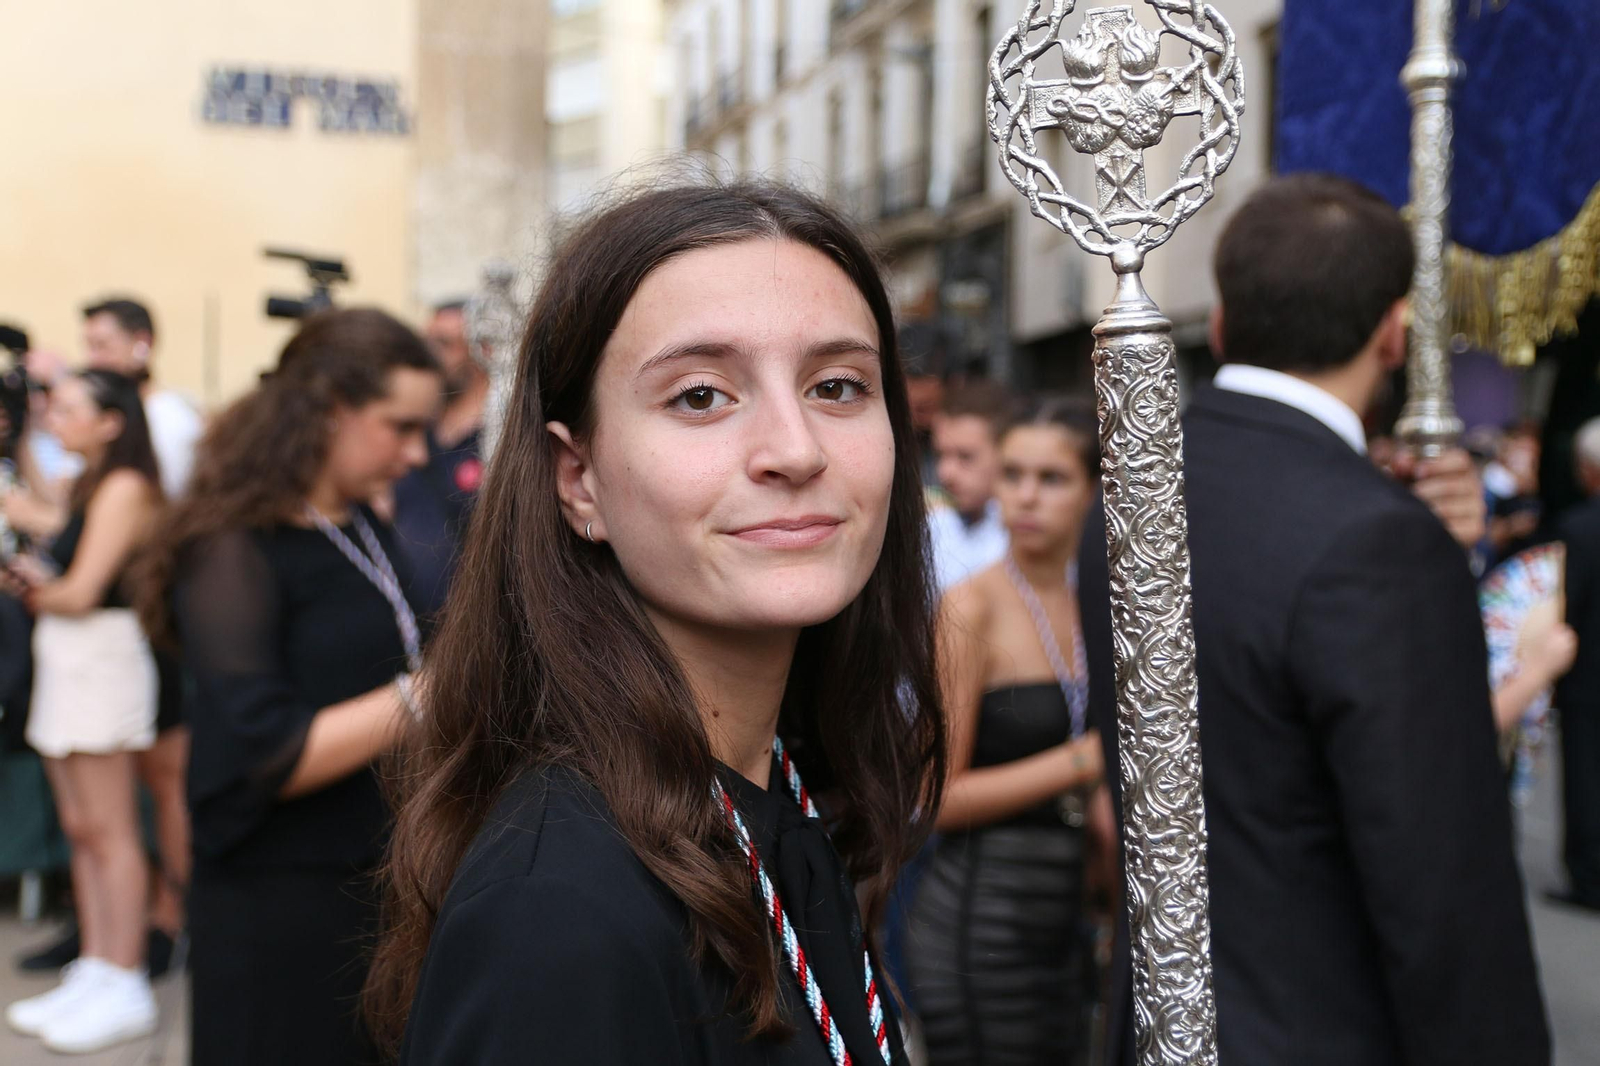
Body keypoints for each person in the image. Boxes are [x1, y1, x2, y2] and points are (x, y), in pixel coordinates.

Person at [363, 182, 943, 1065]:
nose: (796, 449)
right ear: (578, 479)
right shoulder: (557, 911)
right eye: (702, 396)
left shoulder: (771, 779)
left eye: (837, 385)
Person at [1080, 173, 1549, 1065]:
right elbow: (1442, 891)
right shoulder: (1378, 542)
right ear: (1392, 333)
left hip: (1162, 1028)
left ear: (1221, 324)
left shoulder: (1129, 495)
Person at [134, 308, 441, 1065]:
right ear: (329, 408)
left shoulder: (360, 522)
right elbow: (266, 751)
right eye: (397, 427)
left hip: (368, 875)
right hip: (277, 897)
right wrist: (428, 694)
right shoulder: (230, 546)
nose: (414, 453)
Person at [908, 396, 1106, 1066]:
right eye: (1013, 473)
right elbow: (936, 799)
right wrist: (1083, 764)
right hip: (980, 926)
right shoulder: (973, 607)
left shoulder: (1106, 600)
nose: (1025, 496)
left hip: (1069, 924)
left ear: (1094, 490)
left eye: (1051, 479)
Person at [2, 369, 163, 1054]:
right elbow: (55, 549)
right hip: (70, 657)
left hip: (102, 656)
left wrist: (36, 588)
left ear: (111, 422)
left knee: (111, 830)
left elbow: (84, 590)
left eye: (68, 408)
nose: (53, 417)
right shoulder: (88, 481)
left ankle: (124, 977)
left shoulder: (127, 486)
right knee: (79, 825)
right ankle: (97, 965)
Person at [390, 298, 488, 616]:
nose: (429, 357)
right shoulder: (412, 431)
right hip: (404, 620)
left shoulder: (497, 440)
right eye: (426, 343)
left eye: (444, 344)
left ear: (483, 350)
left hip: (468, 625)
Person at [1551, 415, 1600, 912]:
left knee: (1585, 780)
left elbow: (1567, 602)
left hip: (1588, 675)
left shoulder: (1579, 528)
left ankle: (1590, 878)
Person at [927, 379, 1012, 591]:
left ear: (1007, 454)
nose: (945, 472)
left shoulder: (1026, 535)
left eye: (965, 457)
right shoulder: (933, 521)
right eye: (940, 454)